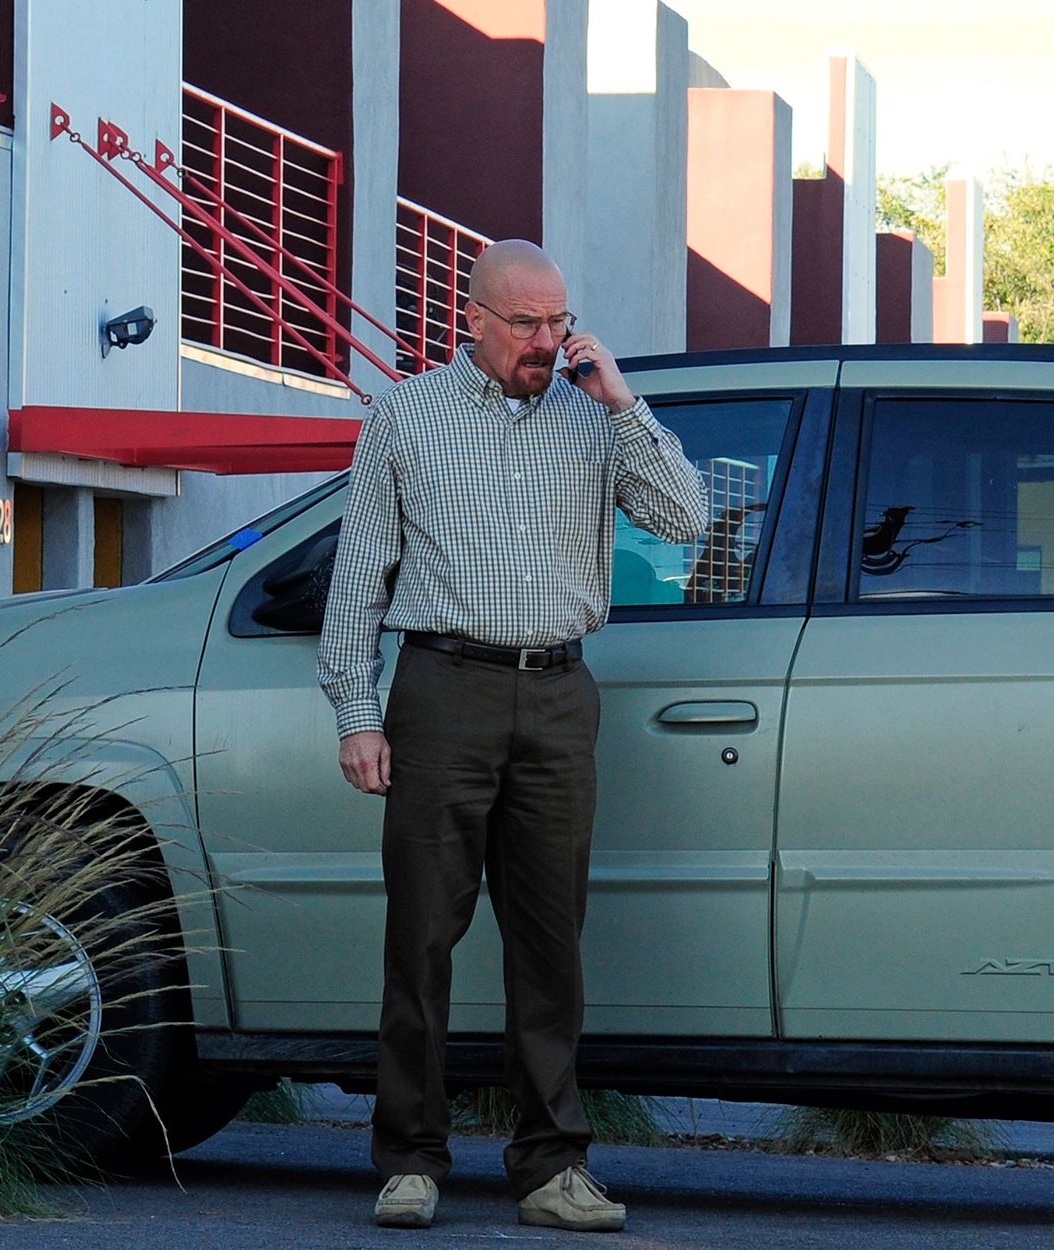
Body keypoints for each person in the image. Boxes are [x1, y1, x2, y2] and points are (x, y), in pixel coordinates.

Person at [316, 240, 707, 1233]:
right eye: (527, 323)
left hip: (560, 693)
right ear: (473, 319)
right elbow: (360, 572)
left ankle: (551, 1165)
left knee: (549, 943)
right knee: (423, 934)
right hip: (442, 686)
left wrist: (624, 401)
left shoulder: (595, 418)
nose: (547, 341)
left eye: (558, 321)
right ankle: (409, 1156)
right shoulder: (405, 415)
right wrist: (357, 712)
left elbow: (686, 516)